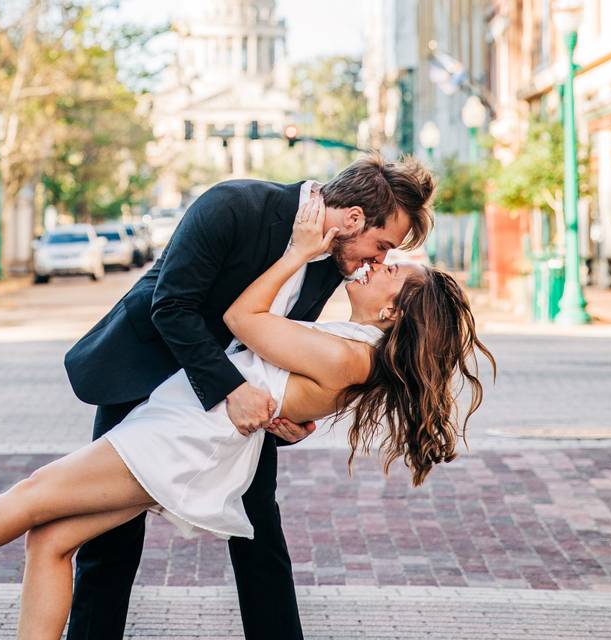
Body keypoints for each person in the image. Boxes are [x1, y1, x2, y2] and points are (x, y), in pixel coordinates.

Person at [0, 193, 495, 640]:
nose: (380, 264)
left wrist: (294, 254)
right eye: (384, 252)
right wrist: (290, 405)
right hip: (189, 430)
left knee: (28, 499)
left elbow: (240, 320)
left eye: (392, 269)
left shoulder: (352, 350)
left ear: (398, 311)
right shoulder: (349, 337)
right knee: (51, 541)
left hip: (183, 438)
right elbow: (263, 361)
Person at [63, 152, 434, 640]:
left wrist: (290, 413)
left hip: (237, 404)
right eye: (381, 245)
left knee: (259, 529)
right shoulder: (234, 205)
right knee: (107, 536)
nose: (380, 260)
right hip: (147, 376)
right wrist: (233, 390)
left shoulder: (332, 260)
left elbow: (279, 340)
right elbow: (171, 307)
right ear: (354, 217)